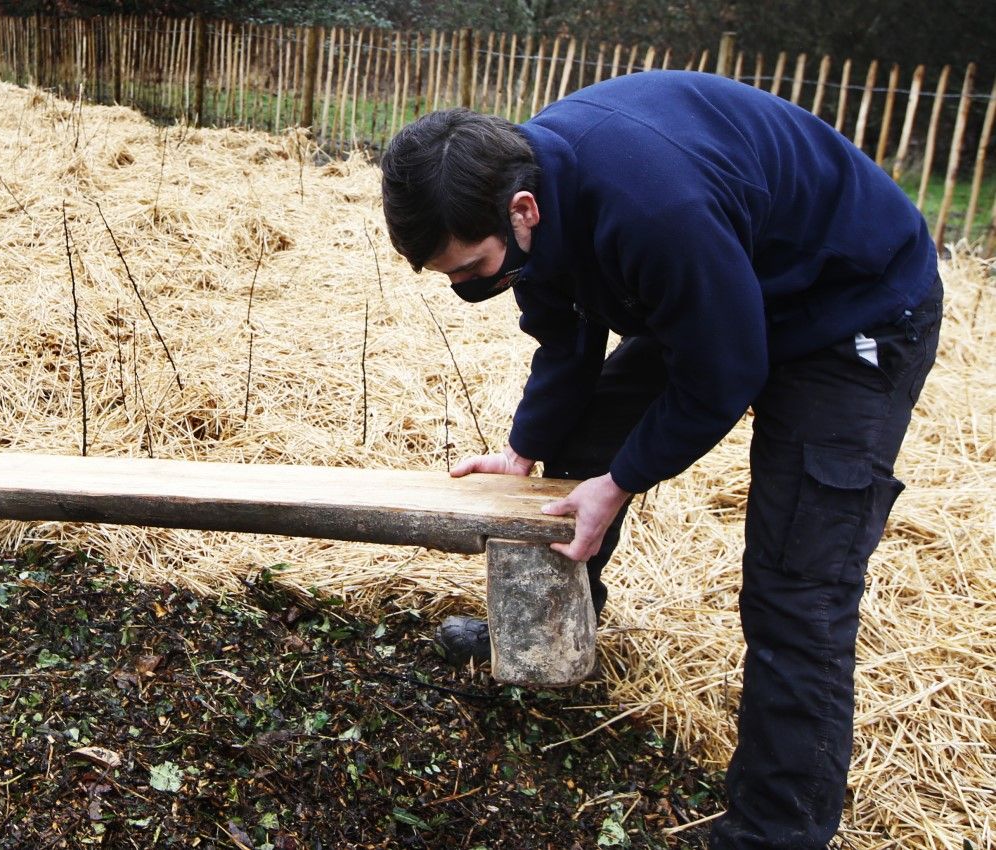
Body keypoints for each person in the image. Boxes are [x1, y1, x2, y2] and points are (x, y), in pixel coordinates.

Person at [380, 71, 940, 849]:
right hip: (727, 283)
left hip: (850, 307)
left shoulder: (653, 209)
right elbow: (566, 337)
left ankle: (776, 832)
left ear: (522, 211)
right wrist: (525, 448)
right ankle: (551, 635)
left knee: (796, 582)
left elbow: (725, 370)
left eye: (473, 271)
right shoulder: (529, 187)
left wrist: (624, 479)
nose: (469, 289)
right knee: (574, 454)